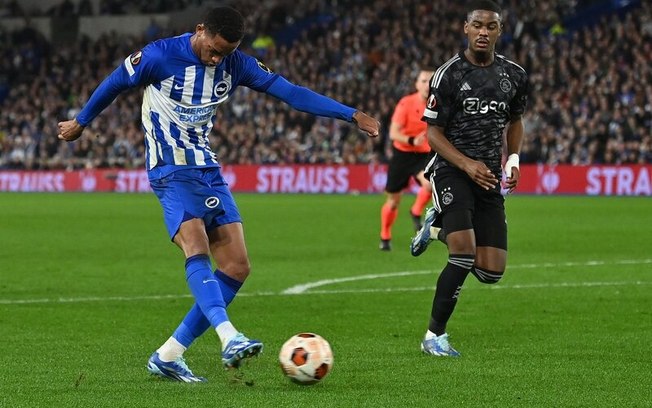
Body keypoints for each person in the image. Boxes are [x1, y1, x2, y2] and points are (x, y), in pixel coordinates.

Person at [57, 6, 380, 382]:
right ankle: (229, 336)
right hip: (169, 168)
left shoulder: (236, 64)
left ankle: (168, 355)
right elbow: (115, 82)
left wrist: (350, 114)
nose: (216, 58)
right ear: (200, 31)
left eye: (225, 52)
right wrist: (81, 121)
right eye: (213, 49)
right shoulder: (159, 55)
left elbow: (290, 92)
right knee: (197, 247)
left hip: (207, 168)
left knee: (237, 266)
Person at [410, 0, 528, 356]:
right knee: (462, 255)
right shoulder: (448, 74)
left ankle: (436, 229)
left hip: (489, 175)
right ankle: (434, 336)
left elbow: (516, 121)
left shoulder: (515, 75)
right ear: (466, 28)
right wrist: (465, 164)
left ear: (499, 31)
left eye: (490, 26)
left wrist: (513, 160)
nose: (483, 32)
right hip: (451, 169)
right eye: (477, 25)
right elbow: (433, 134)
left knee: (492, 272)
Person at [379, 69, 434, 251]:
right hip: (402, 155)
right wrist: (411, 140)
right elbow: (394, 133)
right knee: (393, 201)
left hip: (423, 155)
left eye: (431, 81)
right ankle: (385, 235)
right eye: (424, 80)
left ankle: (416, 211)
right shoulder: (406, 103)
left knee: (429, 185)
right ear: (417, 84)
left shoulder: (439, 104)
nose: (427, 85)